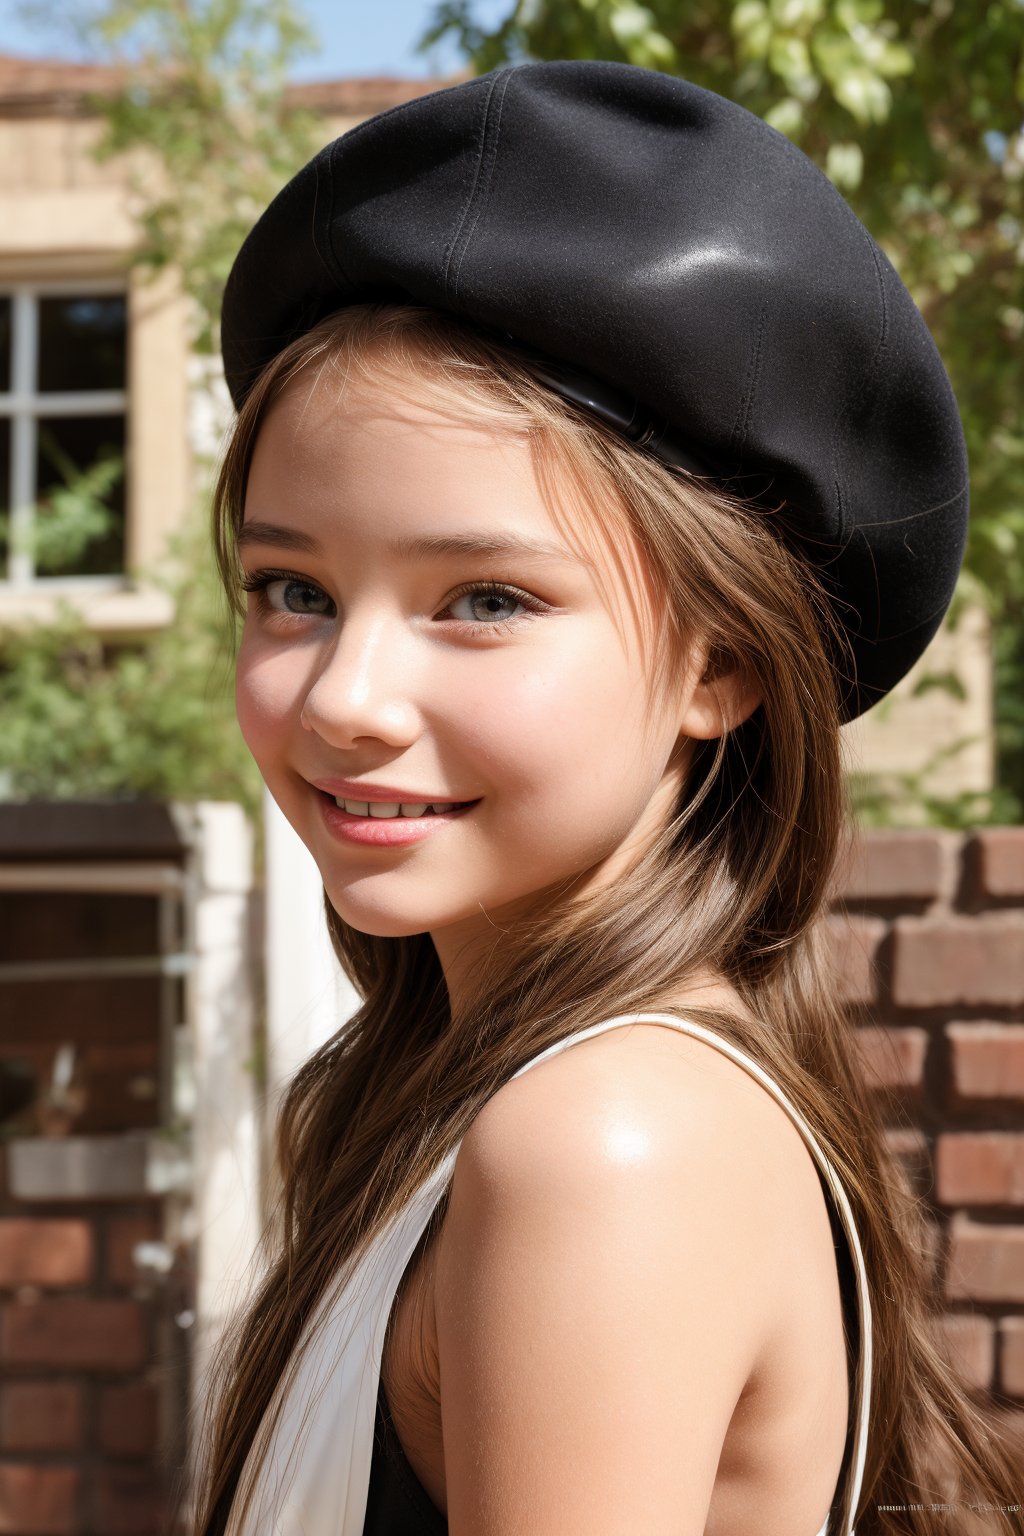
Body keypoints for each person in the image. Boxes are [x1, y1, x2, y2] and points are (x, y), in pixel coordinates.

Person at [193, 59, 1020, 1536]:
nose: (342, 698)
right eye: (292, 589)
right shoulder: (464, 1100)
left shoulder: (604, 1139)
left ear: (723, 666)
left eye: (487, 598)